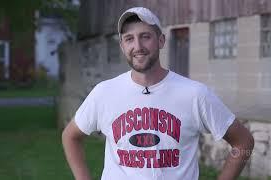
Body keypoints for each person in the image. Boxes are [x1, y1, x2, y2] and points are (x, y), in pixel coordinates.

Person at [62, 7, 254, 180]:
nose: (137, 46)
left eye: (145, 36)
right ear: (122, 46)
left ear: (161, 40)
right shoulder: (104, 93)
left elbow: (243, 142)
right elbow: (70, 136)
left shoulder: (194, 94)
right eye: (129, 39)